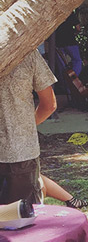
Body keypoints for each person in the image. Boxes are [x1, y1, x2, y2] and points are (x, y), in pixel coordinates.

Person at [0, 49, 57, 205]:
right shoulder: (27, 52)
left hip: (22, 154)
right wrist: (23, 126)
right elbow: (49, 105)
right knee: (25, 221)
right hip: (22, 152)